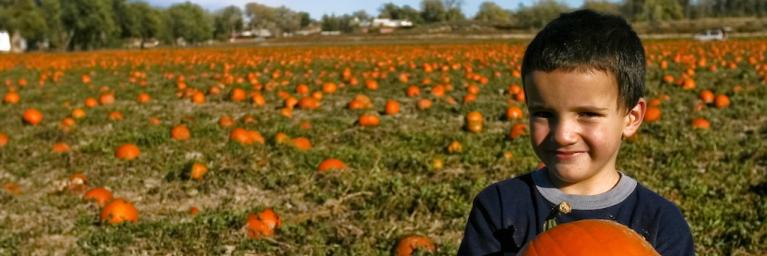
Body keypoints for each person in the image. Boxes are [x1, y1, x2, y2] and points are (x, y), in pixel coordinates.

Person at [458, 9, 694, 255]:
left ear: (631, 118)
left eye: (587, 114)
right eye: (544, 114)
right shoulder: (499, 207)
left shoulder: (660, 222)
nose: (562, 135)